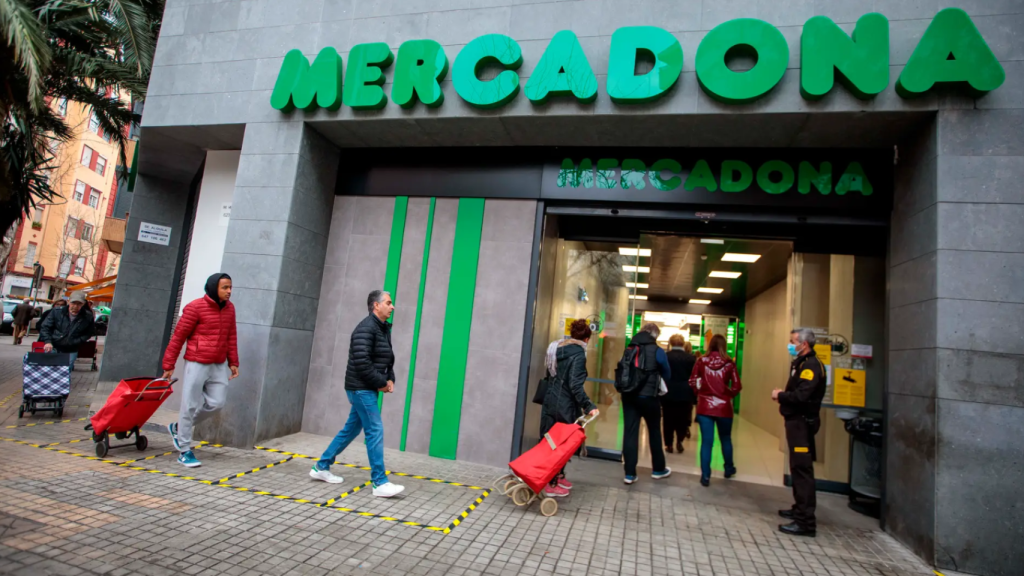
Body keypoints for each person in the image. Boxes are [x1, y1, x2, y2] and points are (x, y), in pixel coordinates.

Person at [308, 290, 405, 498]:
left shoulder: (381, 329)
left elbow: (386, 359)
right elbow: (362, 363)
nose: (392, 306)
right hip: (361, 389)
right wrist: (381, 383)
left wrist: (390, 379)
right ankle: (379, 482)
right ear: (376, 306)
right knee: (375, 430)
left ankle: (321, 467)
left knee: (350, 430)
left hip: (367, 387)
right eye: (388, 303)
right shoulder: (366, 329)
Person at [163, 273, 239, 468]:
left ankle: (179, 428)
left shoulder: (230, 309)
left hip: (218, 364)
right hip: (196, 363)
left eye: (230, 287)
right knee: (189, 405)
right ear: (214, 288)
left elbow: (231, 336)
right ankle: (184, 450)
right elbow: (178, 337)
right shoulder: (195, 308)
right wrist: (169, 365)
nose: (229, 291)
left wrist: (233, 362)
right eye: (225, 288)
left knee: (217, 403)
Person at [773, 328, 827, 537]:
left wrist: (781, 395)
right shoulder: (803, 363)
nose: (790, 344)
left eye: (793, 341)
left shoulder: (811, 366)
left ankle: (805, 522)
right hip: (797, 423)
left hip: (802, 424)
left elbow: (801, 396)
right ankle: (799, 509)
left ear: (804, 344)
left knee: (802, 470)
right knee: (796, 467)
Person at [539, 319, 600, 498]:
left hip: (551, 401)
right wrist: (589, 406)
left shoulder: (556, 349)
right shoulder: (579, 354)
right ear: (587, 340)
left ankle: (558, 475)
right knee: (561, 445)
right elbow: (575, 385)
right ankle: (551, 483)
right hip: (564, 405)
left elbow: (550, 376)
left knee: (550, 441)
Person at [621, 322, 672, 484]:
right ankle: (658, 469)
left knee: (630, 433)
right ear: (655, 336)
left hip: (629, 396)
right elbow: (667, 373)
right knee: (654, 432)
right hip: (650, 397)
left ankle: (629, 474)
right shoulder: (658, 351)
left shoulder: (629, 349)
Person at [689, 334, 742, 487]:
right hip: (724, 408)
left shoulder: (701, 361)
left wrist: (699, 394)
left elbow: (692, 381)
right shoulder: (729, 364)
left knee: (707, 442)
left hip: (705, 407)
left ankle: (705, 475)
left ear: (710, 345)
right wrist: (727, 395)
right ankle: (729, 468)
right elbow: (737, 386)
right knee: (725, 438)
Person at [662, 334, 697, 454]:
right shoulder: (691, 358)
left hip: (668, 392)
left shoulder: (666, 357)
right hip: (685, 393)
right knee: (682, 418)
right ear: (683, 343)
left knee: (668, 419)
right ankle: (680, 441)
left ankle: (669, 444)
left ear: (671, 343)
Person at [39, 292, 94, 364]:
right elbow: (45, 327)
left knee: (66, 371)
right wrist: (47, 341)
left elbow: (89, 332)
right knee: (50, 370)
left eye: (79, 304)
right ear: (68, 302)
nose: (75, 306)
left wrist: (77, 341)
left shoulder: (87, 316)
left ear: (83, 304)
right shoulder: (57, 312)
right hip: (54, 346)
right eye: (73, 303)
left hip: (71, 348)